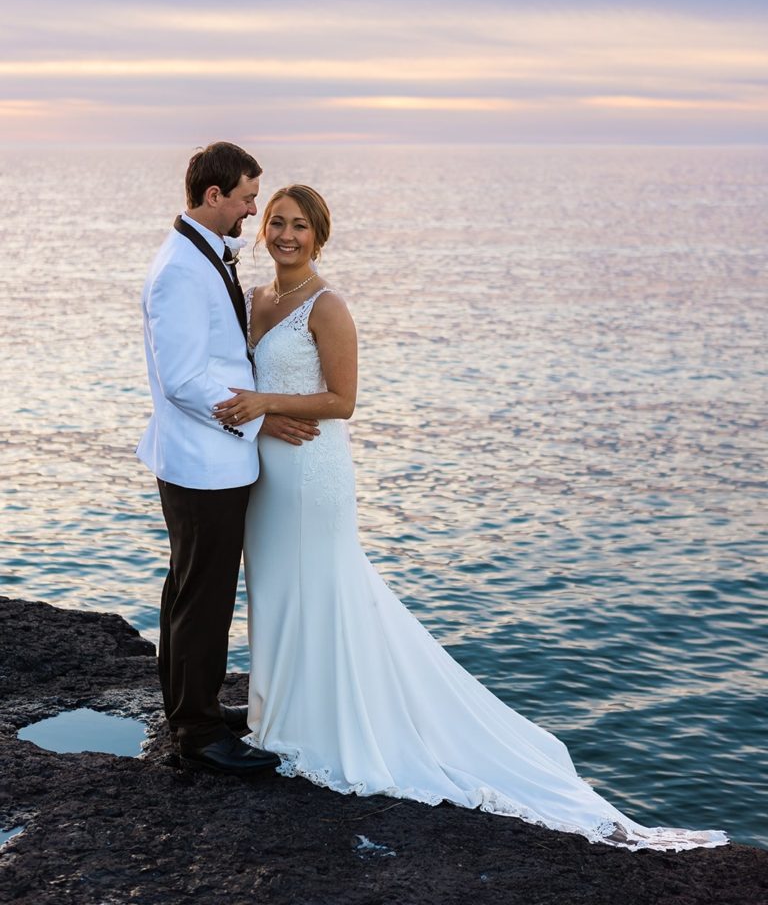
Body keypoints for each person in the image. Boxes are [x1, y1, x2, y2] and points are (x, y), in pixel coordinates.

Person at [213, 185, 728, 850]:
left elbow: (343, 400)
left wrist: (262, 401)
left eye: (299, 226)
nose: (285, 234)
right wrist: (265, 414)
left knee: (326, 589)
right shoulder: (258, 299)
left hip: (313, 477)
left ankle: (327, 726)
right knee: (277, 591)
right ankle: (277, 713)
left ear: (320, 235)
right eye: (276, 223)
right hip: (269, 474)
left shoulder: (327, 305)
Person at [137, 143, 318, 776]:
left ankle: (192, 708)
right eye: (245, 198)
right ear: (213, 196)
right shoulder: (179, 272)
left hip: (208, 460)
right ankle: (198, 735)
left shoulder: (202, 254)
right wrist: (264, 415)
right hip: (202, 463)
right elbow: (185, 379)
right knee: (204, 597)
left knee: (190, 590)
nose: (251, 210)